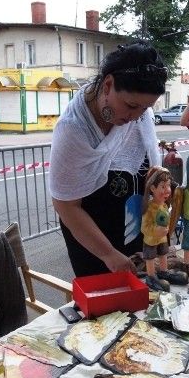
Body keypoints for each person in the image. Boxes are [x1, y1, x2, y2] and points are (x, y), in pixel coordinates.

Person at [49, 41, 167, 277]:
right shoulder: (73, 130)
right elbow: (66, 206)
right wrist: (108, 254)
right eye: (131, 106)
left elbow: (150, 164)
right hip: (91, 234)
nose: (136, 117)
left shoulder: (137, 113)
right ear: (108, 84)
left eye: (145, 109)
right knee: (104, 293)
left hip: (132, 223)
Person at [140, 167, 187, 291]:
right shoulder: (149, 208)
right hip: (151, 240)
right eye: (163, 186)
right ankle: (151, 276)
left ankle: (163, 271)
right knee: (150, 257)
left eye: (168, 185)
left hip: (162, 239)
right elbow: (144, 227)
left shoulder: (165, 206)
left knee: (163, 253)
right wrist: (155, 231)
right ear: (152, 188)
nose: (167, 190)